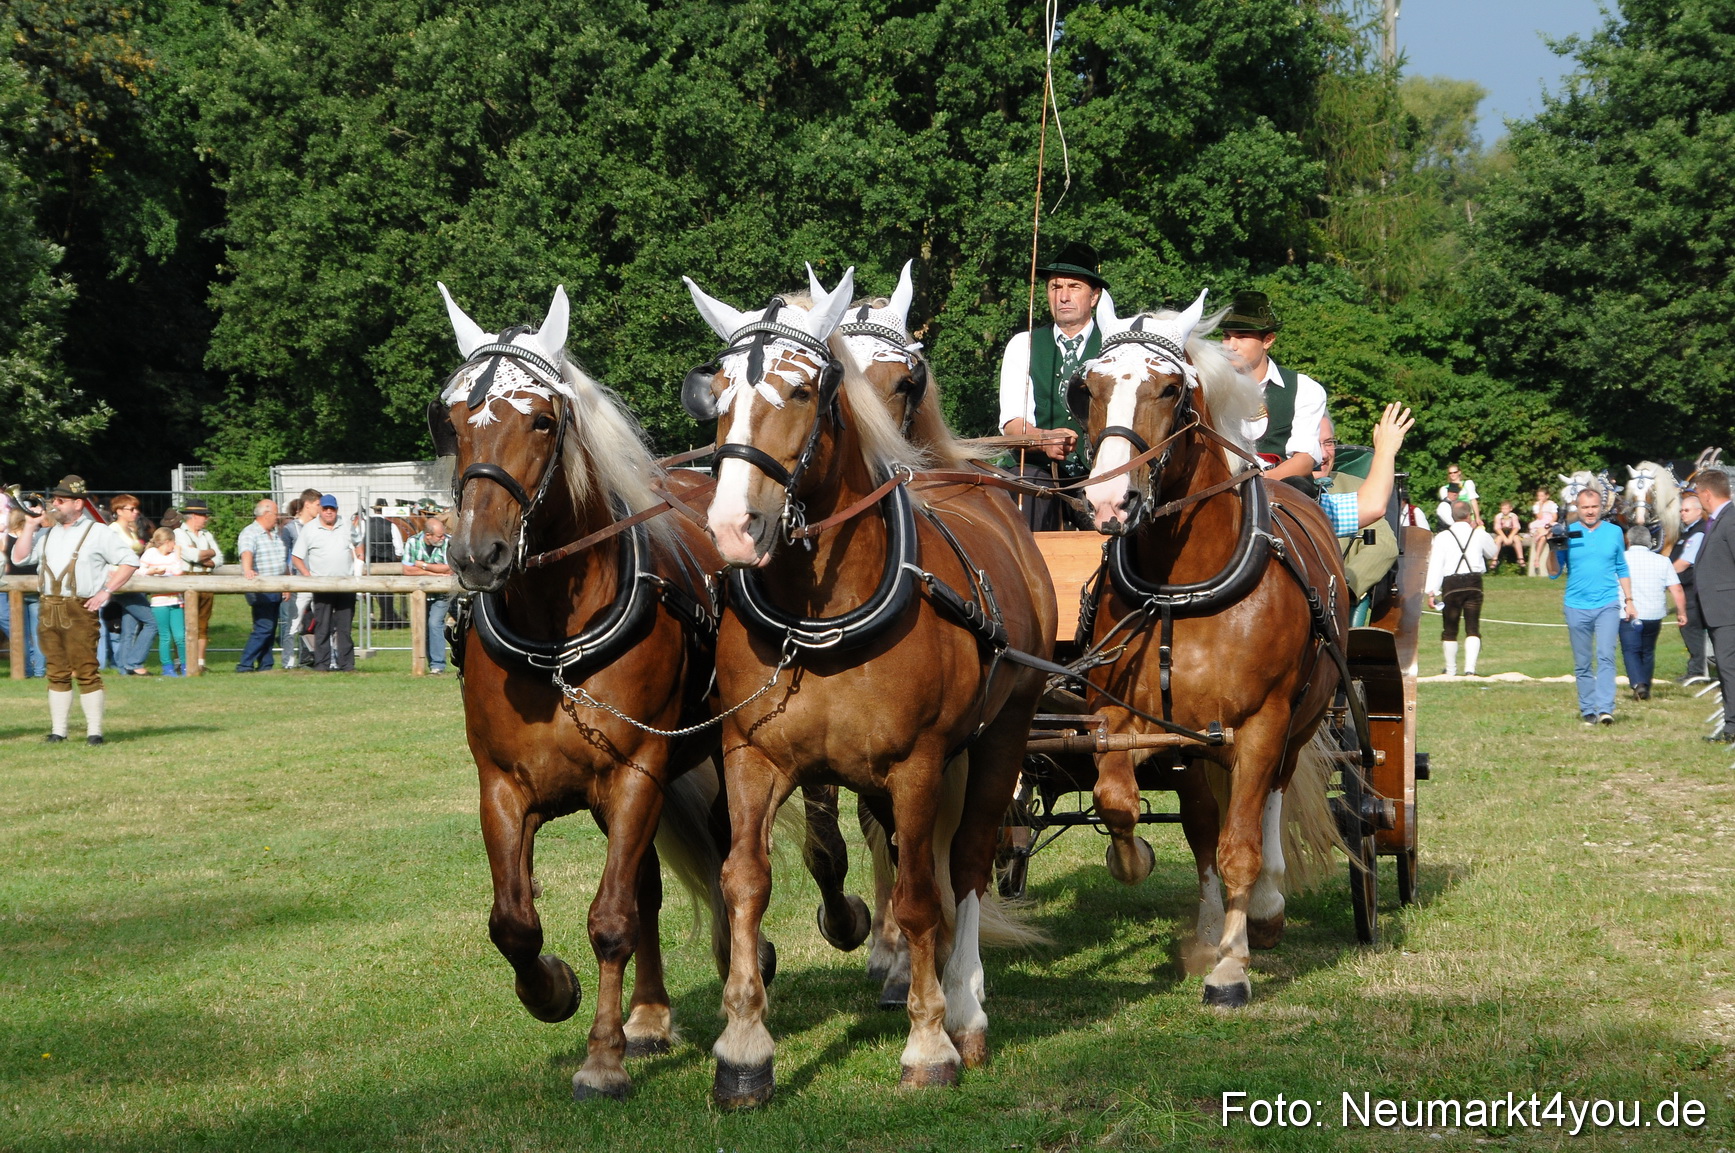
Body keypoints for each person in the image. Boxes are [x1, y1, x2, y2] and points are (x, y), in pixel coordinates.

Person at [9, 476, 140, 744]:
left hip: (79, 608)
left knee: (86, 669)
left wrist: (106, 591)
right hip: (48, 606)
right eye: (54, 500)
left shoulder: (98, 532)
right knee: (55, 670)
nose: (53, 504)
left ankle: (95, 731)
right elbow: (19, 557)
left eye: (60, 501)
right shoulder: (46, 533)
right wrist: (30, 526)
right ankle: (59, 731)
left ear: (78, 504)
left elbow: (129, 561)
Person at [996, 241, 1106, 532]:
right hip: (1039, 474)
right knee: (1024, 484)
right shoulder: (1025, 344)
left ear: (1094, 297)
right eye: (1055, 287)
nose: (1064, 296)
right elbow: (1012, 425)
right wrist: (1043, 438)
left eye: (1074, 287)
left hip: (1101, 471)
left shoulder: (1114, 346)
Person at [1218, 291, 1329, 490]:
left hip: (1281, 492)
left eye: (1242, 336)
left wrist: (1255, 482)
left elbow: (1304, 460)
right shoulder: (1211, 387)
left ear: (1268, 340)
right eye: (1226, 336)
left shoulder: (1305, 388)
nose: (1230, 346)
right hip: (1221, 490)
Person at [1548, 487, 1635, 726]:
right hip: (1576, 605)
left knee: (1606, 655)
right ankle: (1588, 708)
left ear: (1602, 507)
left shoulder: (1615, 532)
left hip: (1607, 603)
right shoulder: (1569, 532)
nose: (1589, 511)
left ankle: (1606, 709)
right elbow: (1554, 572)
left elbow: (1622, 567)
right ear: (1578, 508)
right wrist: (1553, 545)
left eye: (1594, 507)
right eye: (1585, 507)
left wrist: (1629, 601)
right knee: (1583, 661)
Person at [1424, 501, 1497, 676]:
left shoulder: (1442, 537)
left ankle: (1451, 670)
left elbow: (1436, 565)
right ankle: (1470, 669)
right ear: (1469, 515)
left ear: (1452, 516)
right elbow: (1492, 551)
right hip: (1473, 582)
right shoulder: (1478, 534)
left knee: (1450, 627)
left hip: (1452, 584)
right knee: (1472, 626)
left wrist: (1432, 591)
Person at [1317, 403, 1414, 534]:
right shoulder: (1286, 493)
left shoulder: (1362, 488)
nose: (1323, 454)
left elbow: (1384, 545)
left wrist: (1385, 450)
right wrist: (1385, 451)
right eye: (1314, 444)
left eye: (1328, 442)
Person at [291, 494, 360, 672]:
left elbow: (359, 543)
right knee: (323, 626)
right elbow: (296, 556)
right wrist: (307, 575)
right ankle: (322, 664)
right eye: (325, 508)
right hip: (321, 586)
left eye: (332, 509)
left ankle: (347, 664)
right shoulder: (309, 529)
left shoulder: (346, 524)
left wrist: (360, 560)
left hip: (346, 585)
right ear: (320, 509)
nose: (329, 512)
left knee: (344, 627)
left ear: (337, 510)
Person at [1619, 524, 1686, 701]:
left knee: (1631, 650)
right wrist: (1681, 612)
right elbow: (1677, 589)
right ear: (1650, 542)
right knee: (1648, 650)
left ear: (1629, 540)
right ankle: (1645, 685)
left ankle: (1637, 683)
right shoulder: (1663, 561)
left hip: (1629, 613)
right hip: (1654, 613)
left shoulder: (1621, 559)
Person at [1692, 469, 1735, 743]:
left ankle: (1732, 728)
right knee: (1727, 669)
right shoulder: (1721, 520)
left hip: (1729, 610)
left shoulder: (1730, 521)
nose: (1698, 502)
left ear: (1707, 494)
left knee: (1729, 669)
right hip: (1721, 610)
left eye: (1698, 496)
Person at [106, 494, 158, 675]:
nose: (136, 512)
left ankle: (124, 667)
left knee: (130, 627)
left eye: (136, 508)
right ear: (119, 511)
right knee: (153, 622)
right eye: (132, 509)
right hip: (122, 583)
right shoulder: (112, 530)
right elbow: (108, 556)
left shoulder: (130, 529)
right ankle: (136, 663)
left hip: (134, 581)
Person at [236, 499, 291, 673]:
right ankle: (244, 664)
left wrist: (286, 583)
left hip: (275, 585)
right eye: (275, 514)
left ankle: (266, 664)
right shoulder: (250, 532)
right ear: (266, 514)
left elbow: (281, 560)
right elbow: (246, 552)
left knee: (270, 626)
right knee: (264, 627)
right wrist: (248, 570)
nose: (277, 518)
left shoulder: (273, 534)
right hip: (260, 587)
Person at [174, 499, 224, 673]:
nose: (206, 519)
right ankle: (182, 661)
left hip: (206, 579)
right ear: (194, 516)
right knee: (184, 623)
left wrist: (206, 558)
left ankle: (200, 663)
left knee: (203, 623)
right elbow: (191, 555)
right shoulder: (178, 533)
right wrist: (209, 554)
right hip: (186, 579)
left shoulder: (206, 535)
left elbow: (220, 558)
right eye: (203, 515)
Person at [401, 513, 453, 674]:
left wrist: (421, 565)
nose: (443, 538)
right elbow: (407, 570)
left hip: (443, 593)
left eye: (443, 534)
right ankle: (429, 662)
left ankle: (438, 665)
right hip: (420, 594)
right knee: (422, 626)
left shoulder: (449, 542)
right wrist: (435, 574)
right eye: (439, 536)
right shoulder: (412, 542)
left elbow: (449, 568)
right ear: (428, 535)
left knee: (434, 623)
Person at [137, 527, 188, 676]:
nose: (174, 546)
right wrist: (151, 572)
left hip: (175, 600)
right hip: (159, 601)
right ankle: (167, 667)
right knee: (165, 636)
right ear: (167, 542)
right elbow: (139, 571)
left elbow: (178, 572)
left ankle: (185, 665)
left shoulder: (173, 556)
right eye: (173, 543)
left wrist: (177, 555)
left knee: (180, 636)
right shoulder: (150, 554)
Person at [3, 505, 47, 677]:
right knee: (38, 634)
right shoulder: (37, 538)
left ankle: (26, 670)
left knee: (20, 634)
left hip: (17, 591)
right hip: (34, 590)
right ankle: (38, 671)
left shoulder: (7, 539)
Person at [1672, 492, 1709, 683]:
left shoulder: (1699, 532)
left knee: (1691, 627)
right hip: (1686, 586)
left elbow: (1685, 562)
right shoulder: (1688, 532)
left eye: (1686, 510)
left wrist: (1665, 576)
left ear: (1698, 511)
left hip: (1693, 588)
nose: (1682, 513)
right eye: (1681, 510)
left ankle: (1697, 671)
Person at [289, 489, 322, 668]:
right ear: (307, 505)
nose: (321, 509)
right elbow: (288, 555)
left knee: (316, 620)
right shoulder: (291, 528)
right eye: (318, 505)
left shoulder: (319, 526)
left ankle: (313, 656)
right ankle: (290, 659)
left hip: (317, 580)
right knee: (295, 621)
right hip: (299, 581)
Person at [1527, 485, 1559, 577]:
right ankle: (1537, 558)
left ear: (1547, 496)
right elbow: (1539, 517)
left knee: (1546, 533)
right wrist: (1540, 507)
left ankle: (1537, 558)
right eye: (1539, 496)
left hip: (1549, 522)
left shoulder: (1552, 504)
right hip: (1540, 523)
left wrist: (1550, 523)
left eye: (1542, 496)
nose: (1540, 498)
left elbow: (1554, 516)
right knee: (1542, 537)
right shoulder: (1537, 505)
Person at [1490, 501, 1525, 572]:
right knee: (1499, 540)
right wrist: (1505, 538)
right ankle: (1495, 559)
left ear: (1510, 509)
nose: (1504, 510)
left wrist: (1510, 537)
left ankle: (1520, 558)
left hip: (1512, 532)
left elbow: (1516, 527)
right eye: (1503, 509)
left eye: (1506, 509)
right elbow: (1497, 528)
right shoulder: (1498, 516)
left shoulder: (1513, 516)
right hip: (1502, 532)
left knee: (1516, 539)